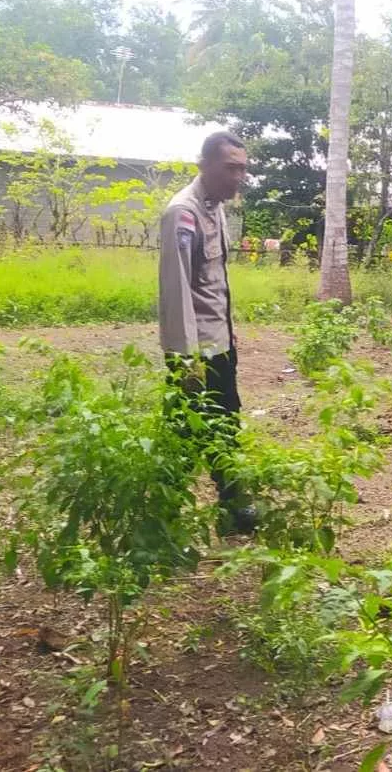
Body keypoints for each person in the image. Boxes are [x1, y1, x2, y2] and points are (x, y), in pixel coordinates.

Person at [158, 130, 255, 533]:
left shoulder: (215, 207)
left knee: (220, 422)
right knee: (194, 430)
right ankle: (170, 512)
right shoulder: (182, 212)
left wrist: (229, 333)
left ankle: (227, 509)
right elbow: (177, 289)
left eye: (243, 169)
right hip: (195, 351)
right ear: (205, 165)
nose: (239, 177)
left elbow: (214, 281)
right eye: (231, 168)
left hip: (218, 341)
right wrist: (187, 359)